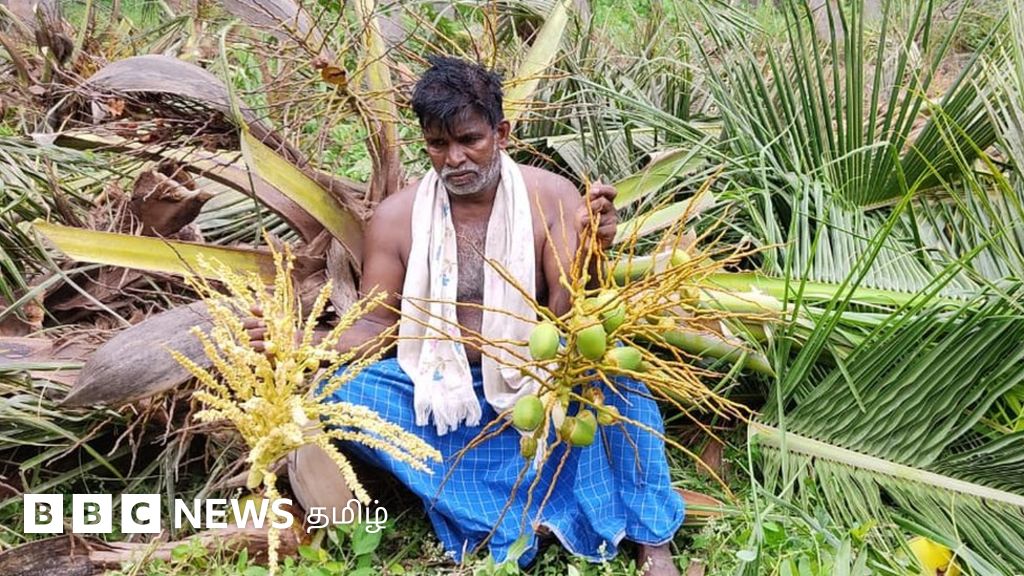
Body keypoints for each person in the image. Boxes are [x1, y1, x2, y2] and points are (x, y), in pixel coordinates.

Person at [249, 56, 684, 575]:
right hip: (442, 390)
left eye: (469, 140)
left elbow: (569, 312)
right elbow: (375, 327)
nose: (454, 158)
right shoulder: (395, 220)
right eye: (438, 145)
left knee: (617, 381)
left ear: (500, 132)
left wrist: (592, 250)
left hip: (536, 379)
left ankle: (652, 540)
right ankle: (508, 517)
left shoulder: (553, 198)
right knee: (341, 396)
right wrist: (299, 342)